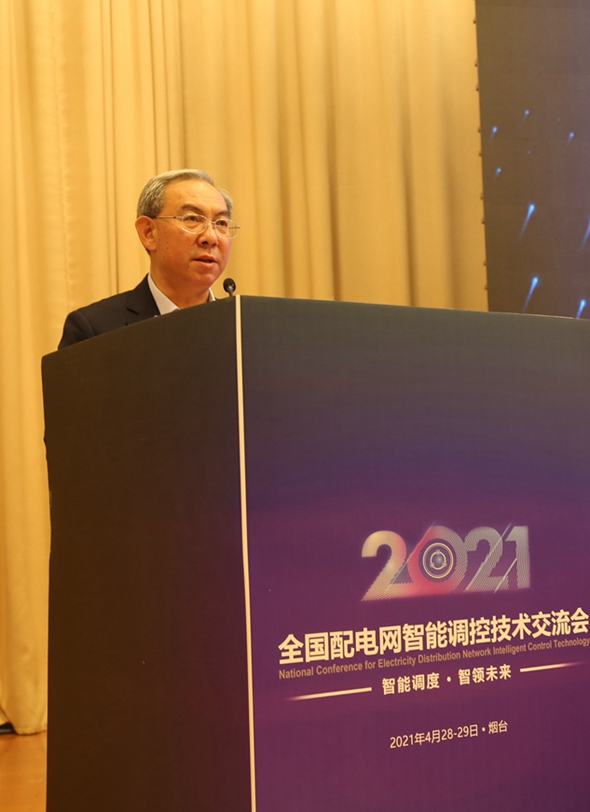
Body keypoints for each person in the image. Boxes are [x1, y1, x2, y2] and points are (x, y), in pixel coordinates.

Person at [58, 169, 239, 348]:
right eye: (192, 219)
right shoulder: (96, 330)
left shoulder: (241, 326)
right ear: (149, 233)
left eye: (221, 223)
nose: (211, 238)